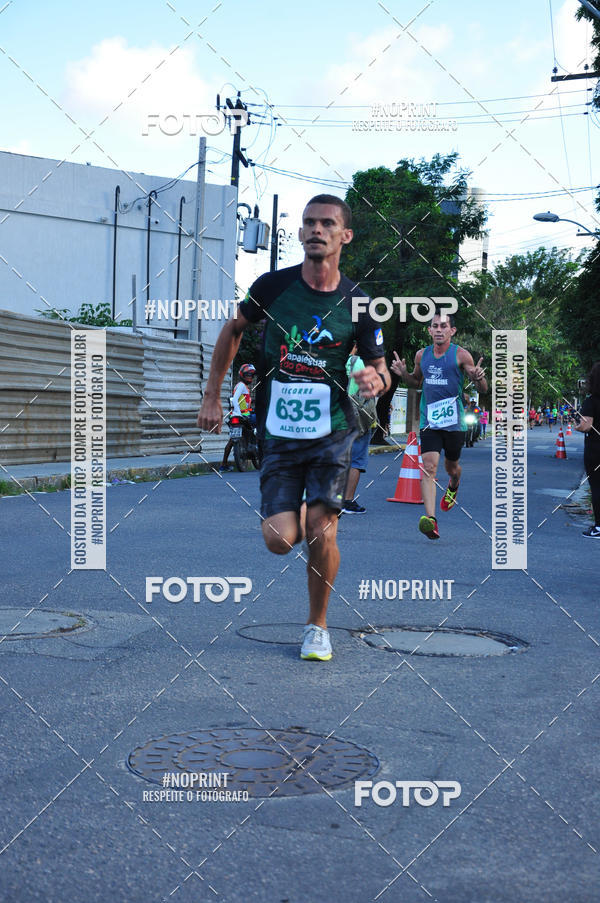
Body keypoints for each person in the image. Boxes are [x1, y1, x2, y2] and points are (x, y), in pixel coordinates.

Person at [197, 195, 390, 660]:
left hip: (333, 432)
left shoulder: (360, 304)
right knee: (280, 540)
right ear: (301, 233)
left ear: (345, 236)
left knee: (323, 531)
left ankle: (317, 627)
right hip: (280, 432)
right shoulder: (273, 286)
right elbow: (234, 329)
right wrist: (212, 394)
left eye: (327, 224)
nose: (316, 230)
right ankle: (312, 509)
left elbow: (382, 370)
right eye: (309, 223)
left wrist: (375, 380)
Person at [391, 310, 487, 539]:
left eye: (444, 326)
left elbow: (483, 388)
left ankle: (454, 483)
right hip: (430, 420)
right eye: (435, 326)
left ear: (452, 331)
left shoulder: (461, 355)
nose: (439, 330)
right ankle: (431, 520)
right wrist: (404, 373)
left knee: (451, 467)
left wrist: (479, 378)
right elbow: (415, 382)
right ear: (429, 330)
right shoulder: (421, 355)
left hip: (454, 423)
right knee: (429, 466)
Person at [342, 348, 377, 514]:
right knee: (356, 460)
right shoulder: (361, 363)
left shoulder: (333, 360)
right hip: (356, 418)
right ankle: (347, 501)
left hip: (335, 415)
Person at [575, 361, 600, 538]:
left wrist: (577, 426)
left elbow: (586, 426)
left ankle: (599, 527)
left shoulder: (591, 402)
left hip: (595, 450)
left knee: (597, 487)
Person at [218, 363, 256, 472]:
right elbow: (234, 399)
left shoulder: (241, 386)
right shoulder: (241, 386)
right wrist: (239, 413)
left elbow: (240, 401)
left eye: (251, 375)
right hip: (243, 415)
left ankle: (223, 464)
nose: (249, 377)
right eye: (247, 375)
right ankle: (257, 446)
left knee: (232, 440)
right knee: (261, 421)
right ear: (242, 375)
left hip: (235, 416)